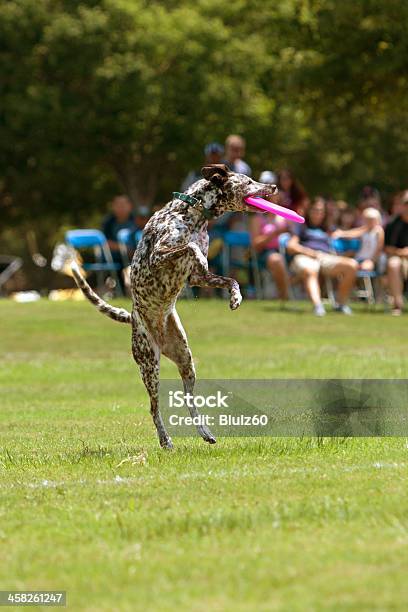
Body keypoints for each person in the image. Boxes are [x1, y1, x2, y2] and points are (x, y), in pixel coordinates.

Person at [287, 198, 357, 316]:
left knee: (351, 265)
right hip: (305, 256)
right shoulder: (301, 226)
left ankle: (341, 305)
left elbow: (350, 233)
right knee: (310, 270)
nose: (318, 213)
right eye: (315, 210)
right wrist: (310, 253)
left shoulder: (327, 228)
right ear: (309, 211)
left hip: (325, 257)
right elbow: (291, 246)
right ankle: (318, 306)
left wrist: (370, 226)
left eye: (321, 211)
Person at [249, 171, 289, 300]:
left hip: (287, 251)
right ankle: (285, 295)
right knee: (276, 260)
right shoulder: (258, 219)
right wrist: (274, 234)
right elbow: (256, 244)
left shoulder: (284, 216)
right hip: (266, 253)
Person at [384, 191, 408, 315]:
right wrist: (402, 252)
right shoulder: (393, 224)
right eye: (406, 203)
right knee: (393, 264)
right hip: (399, 258)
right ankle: (397, 305)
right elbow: (388, 248)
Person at [101, 195, 136, 262]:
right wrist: (123, 248)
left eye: (123, 205)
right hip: (113, 257)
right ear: (113, 207)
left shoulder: (136, 221)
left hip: (133, 256)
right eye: (117, 205)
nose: (120, 208)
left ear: (130, 206)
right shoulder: (108, 222)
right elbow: (104, 241)